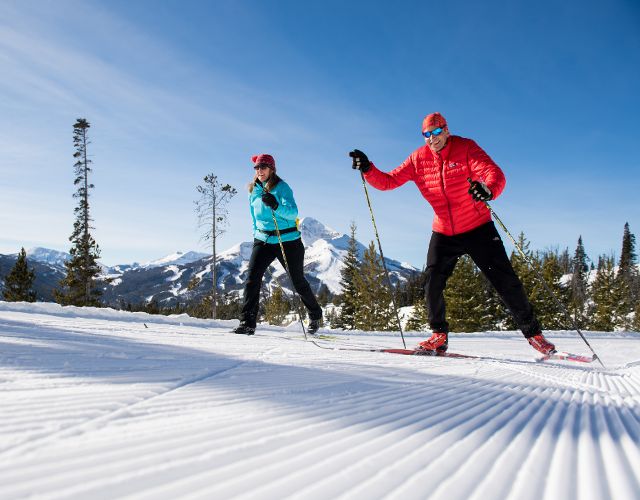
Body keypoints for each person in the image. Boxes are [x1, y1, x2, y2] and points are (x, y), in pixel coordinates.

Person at [348, 112, 556, 355]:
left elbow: (493, 172)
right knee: (432, 282)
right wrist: (368, 168)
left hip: (478, 226)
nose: (432, 138)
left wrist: (487, 190)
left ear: (446, 130)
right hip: (444, 231)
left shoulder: (466, 148)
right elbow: (389, 181)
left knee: (505, 281)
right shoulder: (418, 159)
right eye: (427, 134)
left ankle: (535, 335)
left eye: (437, 132)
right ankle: (439, 335)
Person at [232, 153, 323, 336]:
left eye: (263, 167)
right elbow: (254, 217)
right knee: (252, 279)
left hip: (287, 240)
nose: (260, 171)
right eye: (257, 168)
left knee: (297, 281)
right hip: (263, 240)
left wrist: (275, 206)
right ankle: (247, 323)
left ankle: (315, 315)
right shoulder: (254, 191)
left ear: (272, 169)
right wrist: (257, 235)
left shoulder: (282, 188)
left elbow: (293, 213)